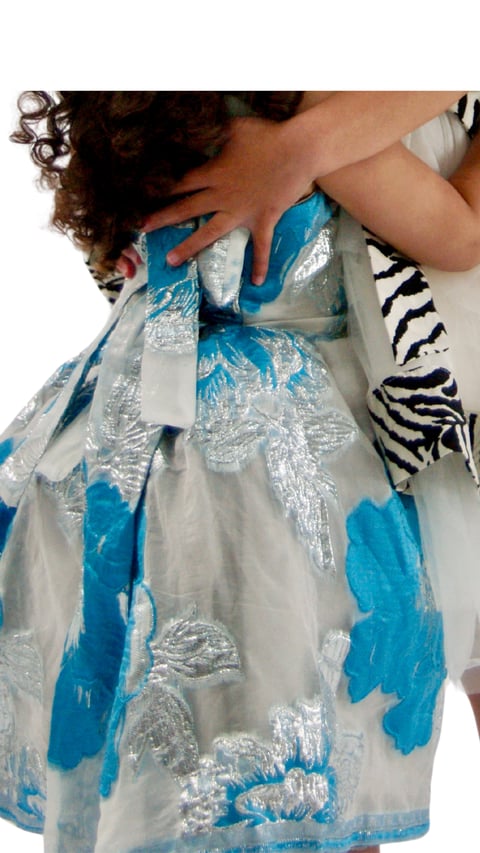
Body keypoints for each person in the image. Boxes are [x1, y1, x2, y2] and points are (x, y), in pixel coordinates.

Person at [0, 91, 479, 853]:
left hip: (135, 437)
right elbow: (459, 234)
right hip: (274, 465)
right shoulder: (295, 104)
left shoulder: (170, 107)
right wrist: (305, 145)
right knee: (309, 753)